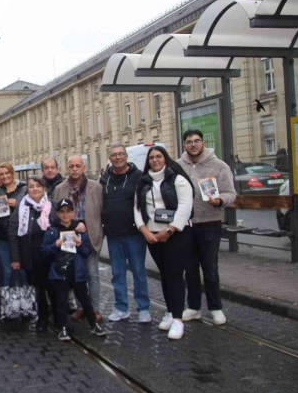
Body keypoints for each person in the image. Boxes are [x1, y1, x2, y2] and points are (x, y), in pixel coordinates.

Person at [134, 145, 194, 340]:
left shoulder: (178, 179)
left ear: (165, 158)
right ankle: (170, 311)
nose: (155, 160)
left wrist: (169, 230)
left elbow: (185, 206)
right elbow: (136, 208)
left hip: (175, 234)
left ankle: (178, 319)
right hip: (152, 235)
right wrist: (144, 230)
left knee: (175, 275)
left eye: (159, 156)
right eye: (151, 157)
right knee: (165, 274)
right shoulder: (142, 182)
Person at [178, 129, 237, 326]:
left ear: (203, 143)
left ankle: (215, 308)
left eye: (196, 141)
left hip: (210, 223)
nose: (193, 145)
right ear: (184, 145)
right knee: (190, 269)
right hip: (186, 225)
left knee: (210, 269)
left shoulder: (219, 166)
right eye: (189, 142)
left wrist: (220, 200)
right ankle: (193, 307)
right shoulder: (178, 166)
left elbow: (231, 193)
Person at [41, 199, 107, 340]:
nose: (65, 215)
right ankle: (63, 327)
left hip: (77, 272)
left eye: (68, 212)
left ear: (73, 212)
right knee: (61, 302)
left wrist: (80, 243)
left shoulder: (79, 230)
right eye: (62, 212)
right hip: (60, 273)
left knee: (85, 300)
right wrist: (55, 245)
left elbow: (86, 252)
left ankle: (94, 325)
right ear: (58, 213)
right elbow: (44, 251)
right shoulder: (52, 231)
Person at [99, 144, 151, 324]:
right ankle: (121, 307)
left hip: (134, 234)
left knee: (138, 271)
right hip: (113, 234)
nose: (118, 157)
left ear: (126, 156)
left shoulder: (139, 177)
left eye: (121, 154)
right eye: (114, 155)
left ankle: (143, 308)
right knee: (117, 273)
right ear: (110, 158)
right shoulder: (104, 179)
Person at [52, 155, 103, 322]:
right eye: (71, 166)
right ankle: (82, 307)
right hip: (68, 236)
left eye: (78, 166)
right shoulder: (60, 188)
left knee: (92, 273)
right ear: (67, 168)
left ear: (84, 168)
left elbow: (101, 212)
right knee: (75, 274)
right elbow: (56, 213)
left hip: (89, 235)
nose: (75, 169)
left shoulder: (96, 187)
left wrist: (89, 227)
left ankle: (94, 309)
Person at [9, 176, 54, 331]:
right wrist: (15, 258)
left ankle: (59, 318)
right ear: (27, 189)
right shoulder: (21, 207)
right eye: (31, 186)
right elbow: (13, 232)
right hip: (30, 255)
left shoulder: (51, 205)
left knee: (54, 288)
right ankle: (42, 318)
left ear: (44, 188)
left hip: (50, 256)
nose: (35, 189)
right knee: (38, 289)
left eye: (38, 186)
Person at [0, 163, 26, 287]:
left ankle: (27, 304)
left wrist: (18, 204)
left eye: (7, 173)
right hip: (3, 237)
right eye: (1, 174)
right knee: (7, 272)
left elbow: (34, 208)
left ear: (12, 173)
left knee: (23, 271)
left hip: (21, 236)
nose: (4, 176)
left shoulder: (24, 189)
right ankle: (7, 304)